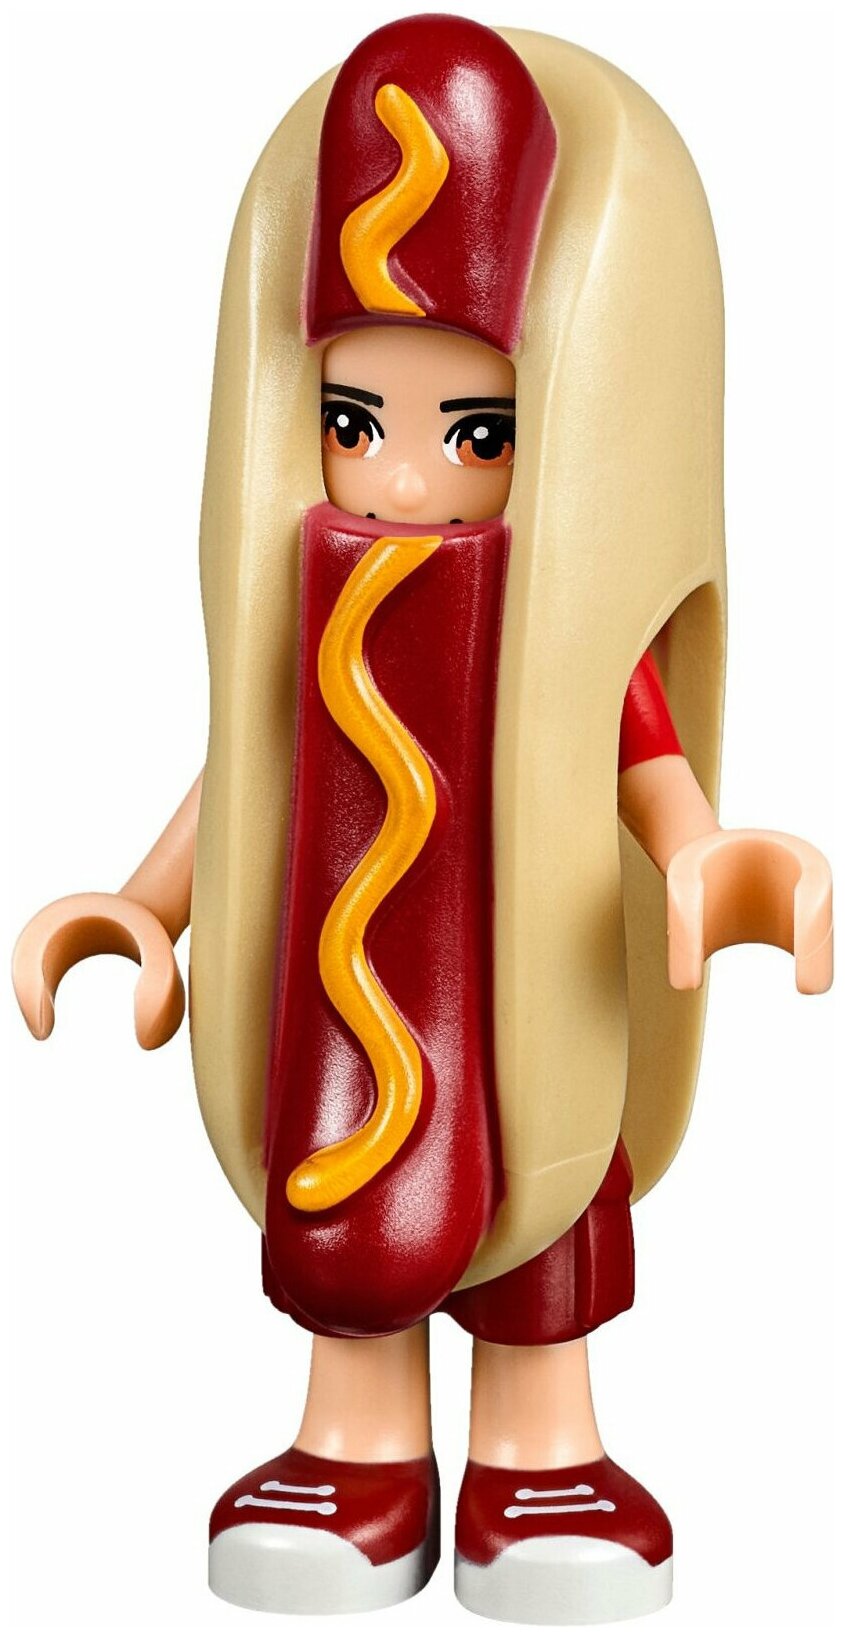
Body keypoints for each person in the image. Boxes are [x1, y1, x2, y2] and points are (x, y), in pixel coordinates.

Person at [14, 15, 832, 1625]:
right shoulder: (306, 603)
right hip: (335, 1021)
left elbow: (645, 764)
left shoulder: (563, 623)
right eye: (352, 420)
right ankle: (357, 1447)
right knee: (340, 1194)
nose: (398, 478)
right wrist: (144, 903)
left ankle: (541, 1458)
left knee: (544, 1207)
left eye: (473, 434)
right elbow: (247, 770)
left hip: (528, 1008)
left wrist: (706, 857)